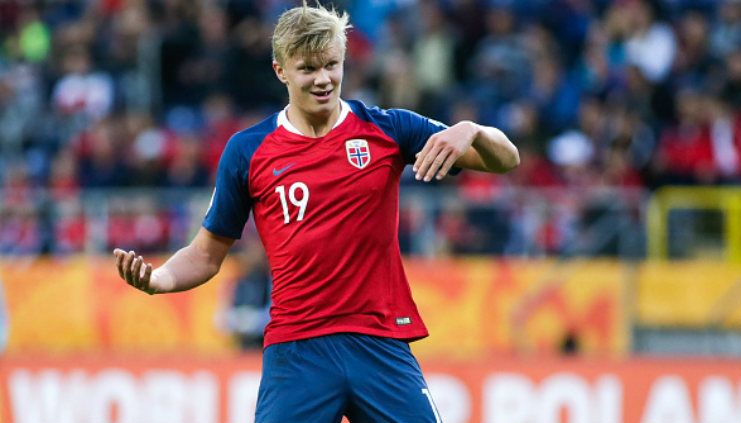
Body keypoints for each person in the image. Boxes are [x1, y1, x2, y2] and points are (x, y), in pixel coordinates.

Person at [113, 2, 519, 421]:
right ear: (280, 71)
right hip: (297, 350)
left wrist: (473, 129)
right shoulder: (248, 151)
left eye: (332, 65)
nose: (323, 79)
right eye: (308, 68)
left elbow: (506, 161)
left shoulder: (387, 129)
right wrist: (158, 279)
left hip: (379, 342)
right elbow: (205, 254)